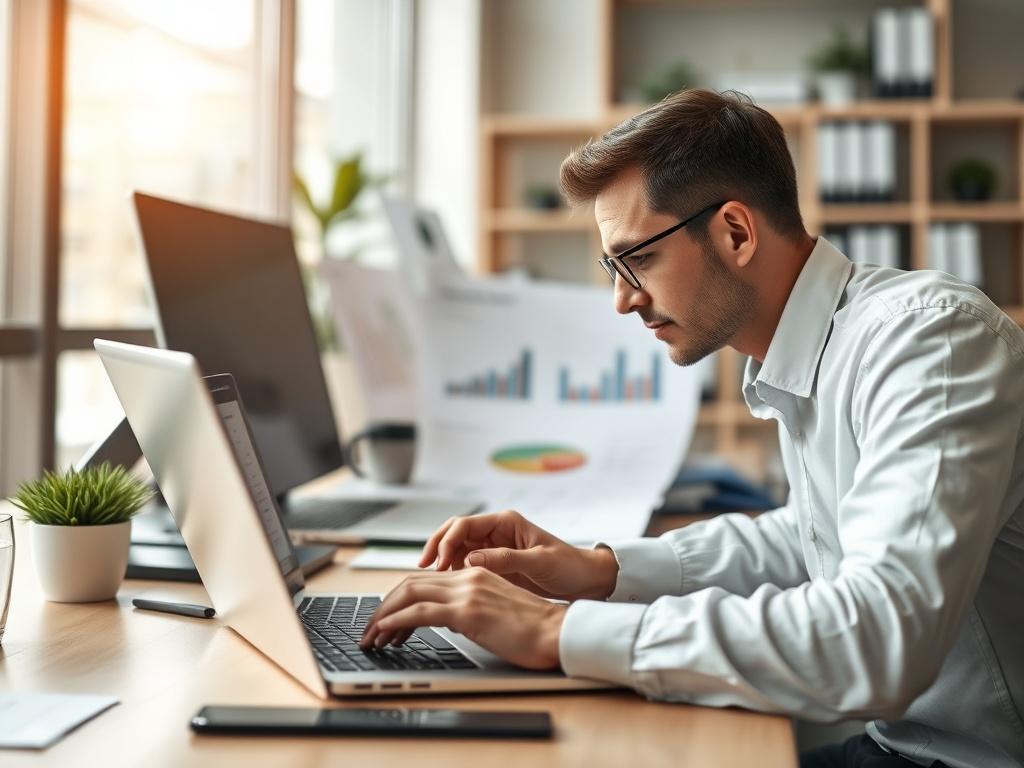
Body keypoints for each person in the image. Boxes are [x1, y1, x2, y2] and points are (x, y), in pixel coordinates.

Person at [360, 89, 1024, 768]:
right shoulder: (814, 351)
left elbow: (881, 639)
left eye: (638, 259)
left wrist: (557, 630)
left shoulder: (929, 343)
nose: (622, 300)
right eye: (613, 267)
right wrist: (600, 571)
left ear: (735, 232)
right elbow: (810, 537)